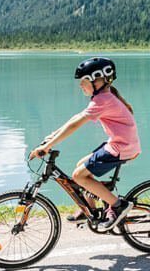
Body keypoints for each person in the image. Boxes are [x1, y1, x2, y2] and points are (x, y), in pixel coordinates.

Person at [28, 57, 141, 226]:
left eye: (84, 81)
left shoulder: (103, 100)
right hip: (119, 144)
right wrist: (51, 137)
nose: (81, 85)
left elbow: (75, 125)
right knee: (81, 166)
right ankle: (89, 208)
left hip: (122, 148)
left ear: (99, 81)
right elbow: (76, 118)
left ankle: (118, 205)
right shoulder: (103, 98)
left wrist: (48, 146)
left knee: (78, 175)